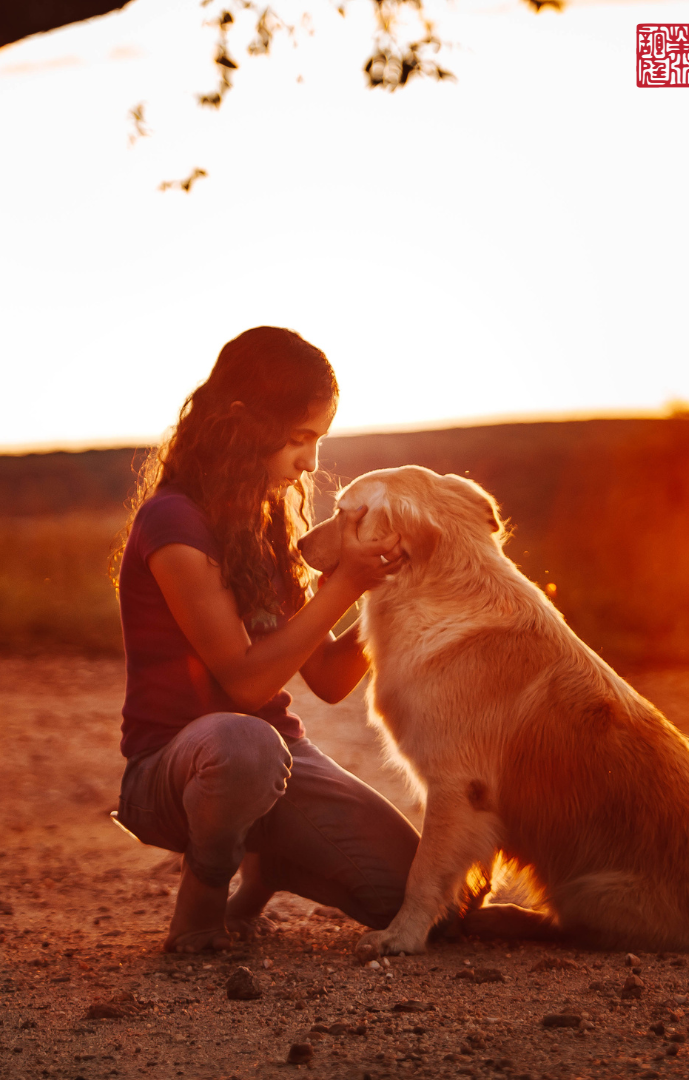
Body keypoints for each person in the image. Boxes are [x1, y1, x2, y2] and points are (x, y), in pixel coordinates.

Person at [112, 326, 420, 953]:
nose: (311, 462)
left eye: (319, 440)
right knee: (244, 741)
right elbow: (247, 680)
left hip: (274, 766)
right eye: (300, 438)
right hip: (177, 770)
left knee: (411, 896)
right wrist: (347, 584)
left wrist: (393, 582)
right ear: (241, 424)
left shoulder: (266, 523)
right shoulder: (174, 523)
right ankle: (199, 909)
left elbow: (330, 678)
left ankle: (269, 863)